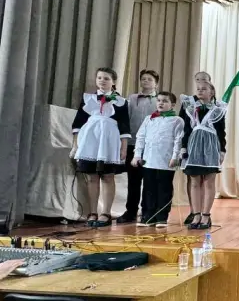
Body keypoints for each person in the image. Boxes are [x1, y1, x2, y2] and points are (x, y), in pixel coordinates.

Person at [71, 67, 131, 228]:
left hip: (110, 141)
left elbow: (124, 125)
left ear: (113, 81)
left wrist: (124, 147)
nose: (102, 81)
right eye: (99, 78)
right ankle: (92, 212)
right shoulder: (88, 98)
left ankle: (106, 212)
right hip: (90, 140)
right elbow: (78, 122)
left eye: (106, 78)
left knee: (108, 176)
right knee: (91, 177)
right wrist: (76, 145)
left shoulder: (121, 101)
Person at [132, 91, 184, 227]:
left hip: (166, 161)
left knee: (164, 189)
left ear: (172, 105)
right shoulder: (149, 118)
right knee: (148, 188)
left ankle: (161, 217)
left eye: (165, 101)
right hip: (149, 160)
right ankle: (147, 216)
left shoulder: (177, 120)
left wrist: (175, 157)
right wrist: (137, 155)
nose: (161, 103)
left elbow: (178, 140)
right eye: (159, 100)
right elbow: (140, 137)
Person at [180, 82, 227, 230]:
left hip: (211, 146)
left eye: (204, 89)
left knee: (208, 182)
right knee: (194, 182)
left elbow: (221, 132)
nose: (200, 91)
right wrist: (183, 147)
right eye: (198, 89)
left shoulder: (218, 110)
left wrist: (222, 150)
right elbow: (186, 129)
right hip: (194, 146)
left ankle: (206, 215)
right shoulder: (191, 108)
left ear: (211, 92)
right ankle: (196, 214)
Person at [119, 69, 160, 224]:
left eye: (149, 79)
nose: (146, 81)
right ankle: (130, 211)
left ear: (156, 83)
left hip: (152, 146)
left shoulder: (159, 100)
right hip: (133, 144)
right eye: (143, 79)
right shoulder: (132, 98)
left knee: (150, 180)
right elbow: (125, 119)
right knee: (133, 180)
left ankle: (147, 212)